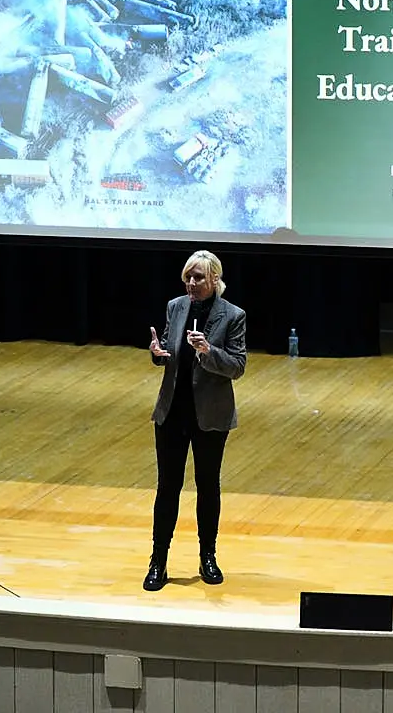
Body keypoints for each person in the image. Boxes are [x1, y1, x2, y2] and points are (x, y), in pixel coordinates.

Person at [143, 249, 246, 592]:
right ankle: (158, 560)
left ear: (215, 279)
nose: (191, 283)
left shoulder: (232, 316)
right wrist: (159, 356)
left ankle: (208, 556)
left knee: (207, 486)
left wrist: (208, 352)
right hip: (172, 411)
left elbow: (237, 366)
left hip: (209, 415)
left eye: (198, 277)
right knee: (167, 488)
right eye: (188, 276)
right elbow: (171, 356)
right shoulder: (176, 307)